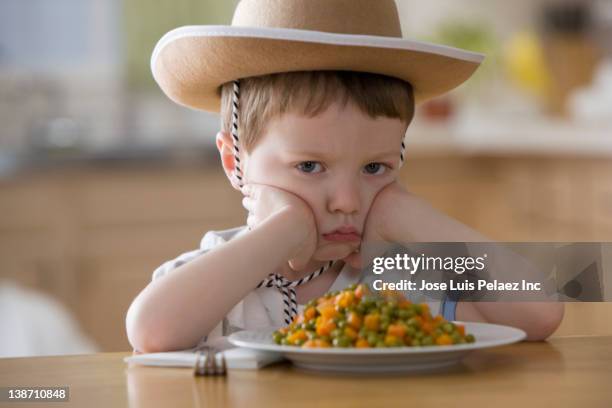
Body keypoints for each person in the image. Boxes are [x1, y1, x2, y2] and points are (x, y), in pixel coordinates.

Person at [126, 0, 564, 353]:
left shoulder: (406, 275)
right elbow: (150, 331)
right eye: (309, 167)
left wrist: (407, 215)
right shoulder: (214, 279)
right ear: (234, 163)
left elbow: (541, 314)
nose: (347, 200)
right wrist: (283, 230)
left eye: (375, 168)